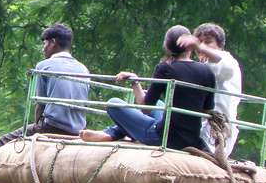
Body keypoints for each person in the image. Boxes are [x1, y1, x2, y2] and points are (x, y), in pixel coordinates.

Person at [79, 25, 215, 150]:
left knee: (113, 103)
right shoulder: (207, 71)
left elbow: (146, 108)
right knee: (160, 104)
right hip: (191, 139)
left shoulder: (165, 68)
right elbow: (207, 109)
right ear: (190, 47)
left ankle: (113, 133)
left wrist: (134, 81)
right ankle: (113, 132)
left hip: (163, 138)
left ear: (167, 46)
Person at [0, 23, 90, 146]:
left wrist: (38, 126)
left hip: (53, 127)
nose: (43, 49)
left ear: (53, 42)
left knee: (3, 141)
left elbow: (40, 104)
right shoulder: (83, 69)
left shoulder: (44, 66)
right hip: (78, 130)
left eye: (44, 43)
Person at [177, 23, 242, 158]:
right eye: (199, 42)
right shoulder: (202, 66)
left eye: (208, 42)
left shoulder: (227, 61)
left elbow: (224, 67)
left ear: (220, 45)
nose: (201, 47)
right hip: (199, 127)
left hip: (216, 134)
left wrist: (199, 46)